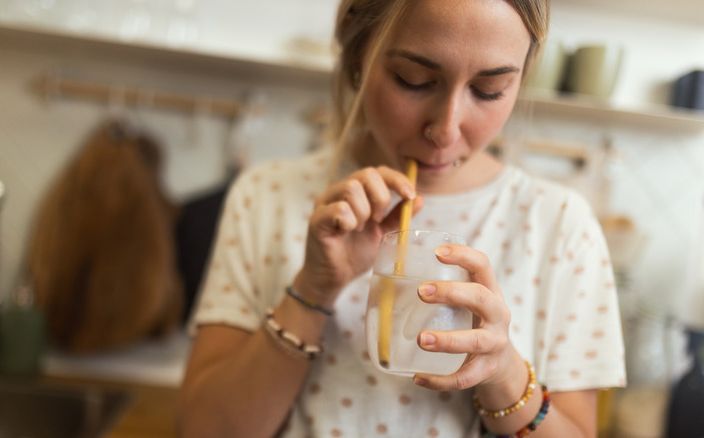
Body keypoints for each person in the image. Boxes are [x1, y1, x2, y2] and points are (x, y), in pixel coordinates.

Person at [178, 0, 625, 437]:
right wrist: (313, 290)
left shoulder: (561, 224)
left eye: (489, 90)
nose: (446, 130)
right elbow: (202, 429)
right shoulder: (266, 196)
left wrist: (503, 372)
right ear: (358, 52)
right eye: (413, 80)